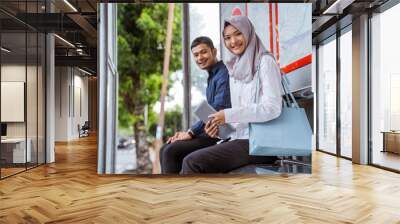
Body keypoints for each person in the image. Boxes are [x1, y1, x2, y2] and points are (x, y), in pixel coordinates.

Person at [179, 16, 282, 174]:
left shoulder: (265, 62)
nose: (233, 41)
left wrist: (227, 115)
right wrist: (219, 131)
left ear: (248, 33)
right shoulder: (234, 70)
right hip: (240, 139)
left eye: (238, 34)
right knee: (188, 159)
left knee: (192, 162)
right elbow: (238, 121)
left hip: (262, 143)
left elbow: (272, 108)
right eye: (227, 38)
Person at [159, 36, 231, 174]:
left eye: (204, 52)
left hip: (220, 133)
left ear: (214, 52)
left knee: (170, 151)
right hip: (209, 130)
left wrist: (191, 132)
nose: (200, 58)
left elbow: (217, 109)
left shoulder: (223, 73)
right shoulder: (212, 76)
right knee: (166, 148)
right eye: (196, 55)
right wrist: (188, 133)